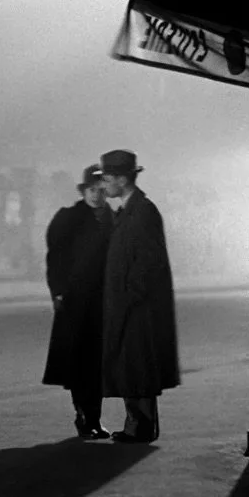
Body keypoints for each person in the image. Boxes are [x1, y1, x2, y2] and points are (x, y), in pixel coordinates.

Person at [99, 150, 180, 443]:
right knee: (130, 365)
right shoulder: (129, 211)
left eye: (107, 179)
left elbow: (148, 261)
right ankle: (136, 424)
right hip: (129, 304)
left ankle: (141, 427)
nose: (104, 185)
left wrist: (129, 295)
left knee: (137, 366)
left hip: (138, 308)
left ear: (121, 179)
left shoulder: (143, 211)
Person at [42, 165, 113, 439]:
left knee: (97, 363)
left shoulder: (112, 220)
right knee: (79, 362)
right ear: (84, 191)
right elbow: (55, 259)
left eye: (101, 191)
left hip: (102, 301)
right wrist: (58, 291)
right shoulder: (68, 219)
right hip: (75, 301)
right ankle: (84, 416)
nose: (97, 195)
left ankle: (94, 417)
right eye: (92, 190)